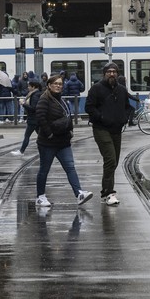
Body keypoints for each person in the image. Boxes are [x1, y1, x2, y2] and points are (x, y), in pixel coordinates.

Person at [32, 72, 92, 210]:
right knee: (44, 170)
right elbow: (40, 118)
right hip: (48, 143)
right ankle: (40, 197)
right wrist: (50, 134)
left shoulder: (62, 100)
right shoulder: (44, 99)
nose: (58, 86)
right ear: (49, 85)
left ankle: (79, 194)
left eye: (60, 84)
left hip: (63, 141)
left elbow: (67, 117)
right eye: (56, 84)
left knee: (70, 167)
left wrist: (70, 131)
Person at [85, 62, 129, 206]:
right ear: (104, 73)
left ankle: (107, 191)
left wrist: (125, 118)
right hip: (101, 129)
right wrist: (101, 117)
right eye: (109, 71)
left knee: (114, 161)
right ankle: (108, 193)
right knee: (110, 159)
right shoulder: (96, 89)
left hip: (117, 129)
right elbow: (89, 107)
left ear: (118, 73)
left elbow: (127, 106)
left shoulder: (122, 89)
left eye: (114, 71)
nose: (112, 74)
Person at [10, 78, 41, 156]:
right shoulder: (36, 94)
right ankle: (48, 149)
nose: (28, 87)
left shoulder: (34, 95)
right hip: (36, 119)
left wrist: (23, 104)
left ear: (33, 87)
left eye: (29, 86)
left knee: (27, 136)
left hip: (33, 119)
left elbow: (33, 108)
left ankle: (21, 151)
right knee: (41, 136)